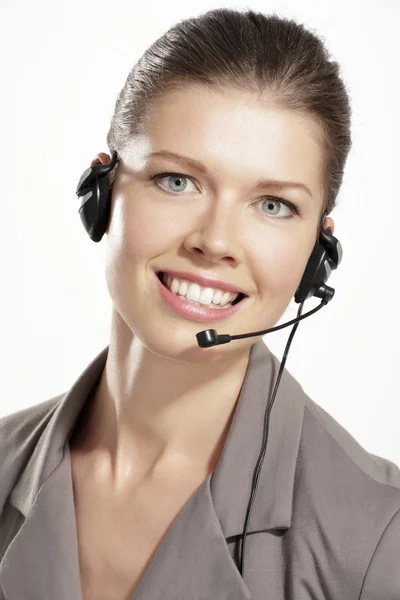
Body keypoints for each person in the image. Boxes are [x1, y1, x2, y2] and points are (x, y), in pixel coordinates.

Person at [0, 7, 399, 600]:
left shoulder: (377, 541)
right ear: (101, 191)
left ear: (319, 251)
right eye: (177, 181)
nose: (213, 241)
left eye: (273, 205)